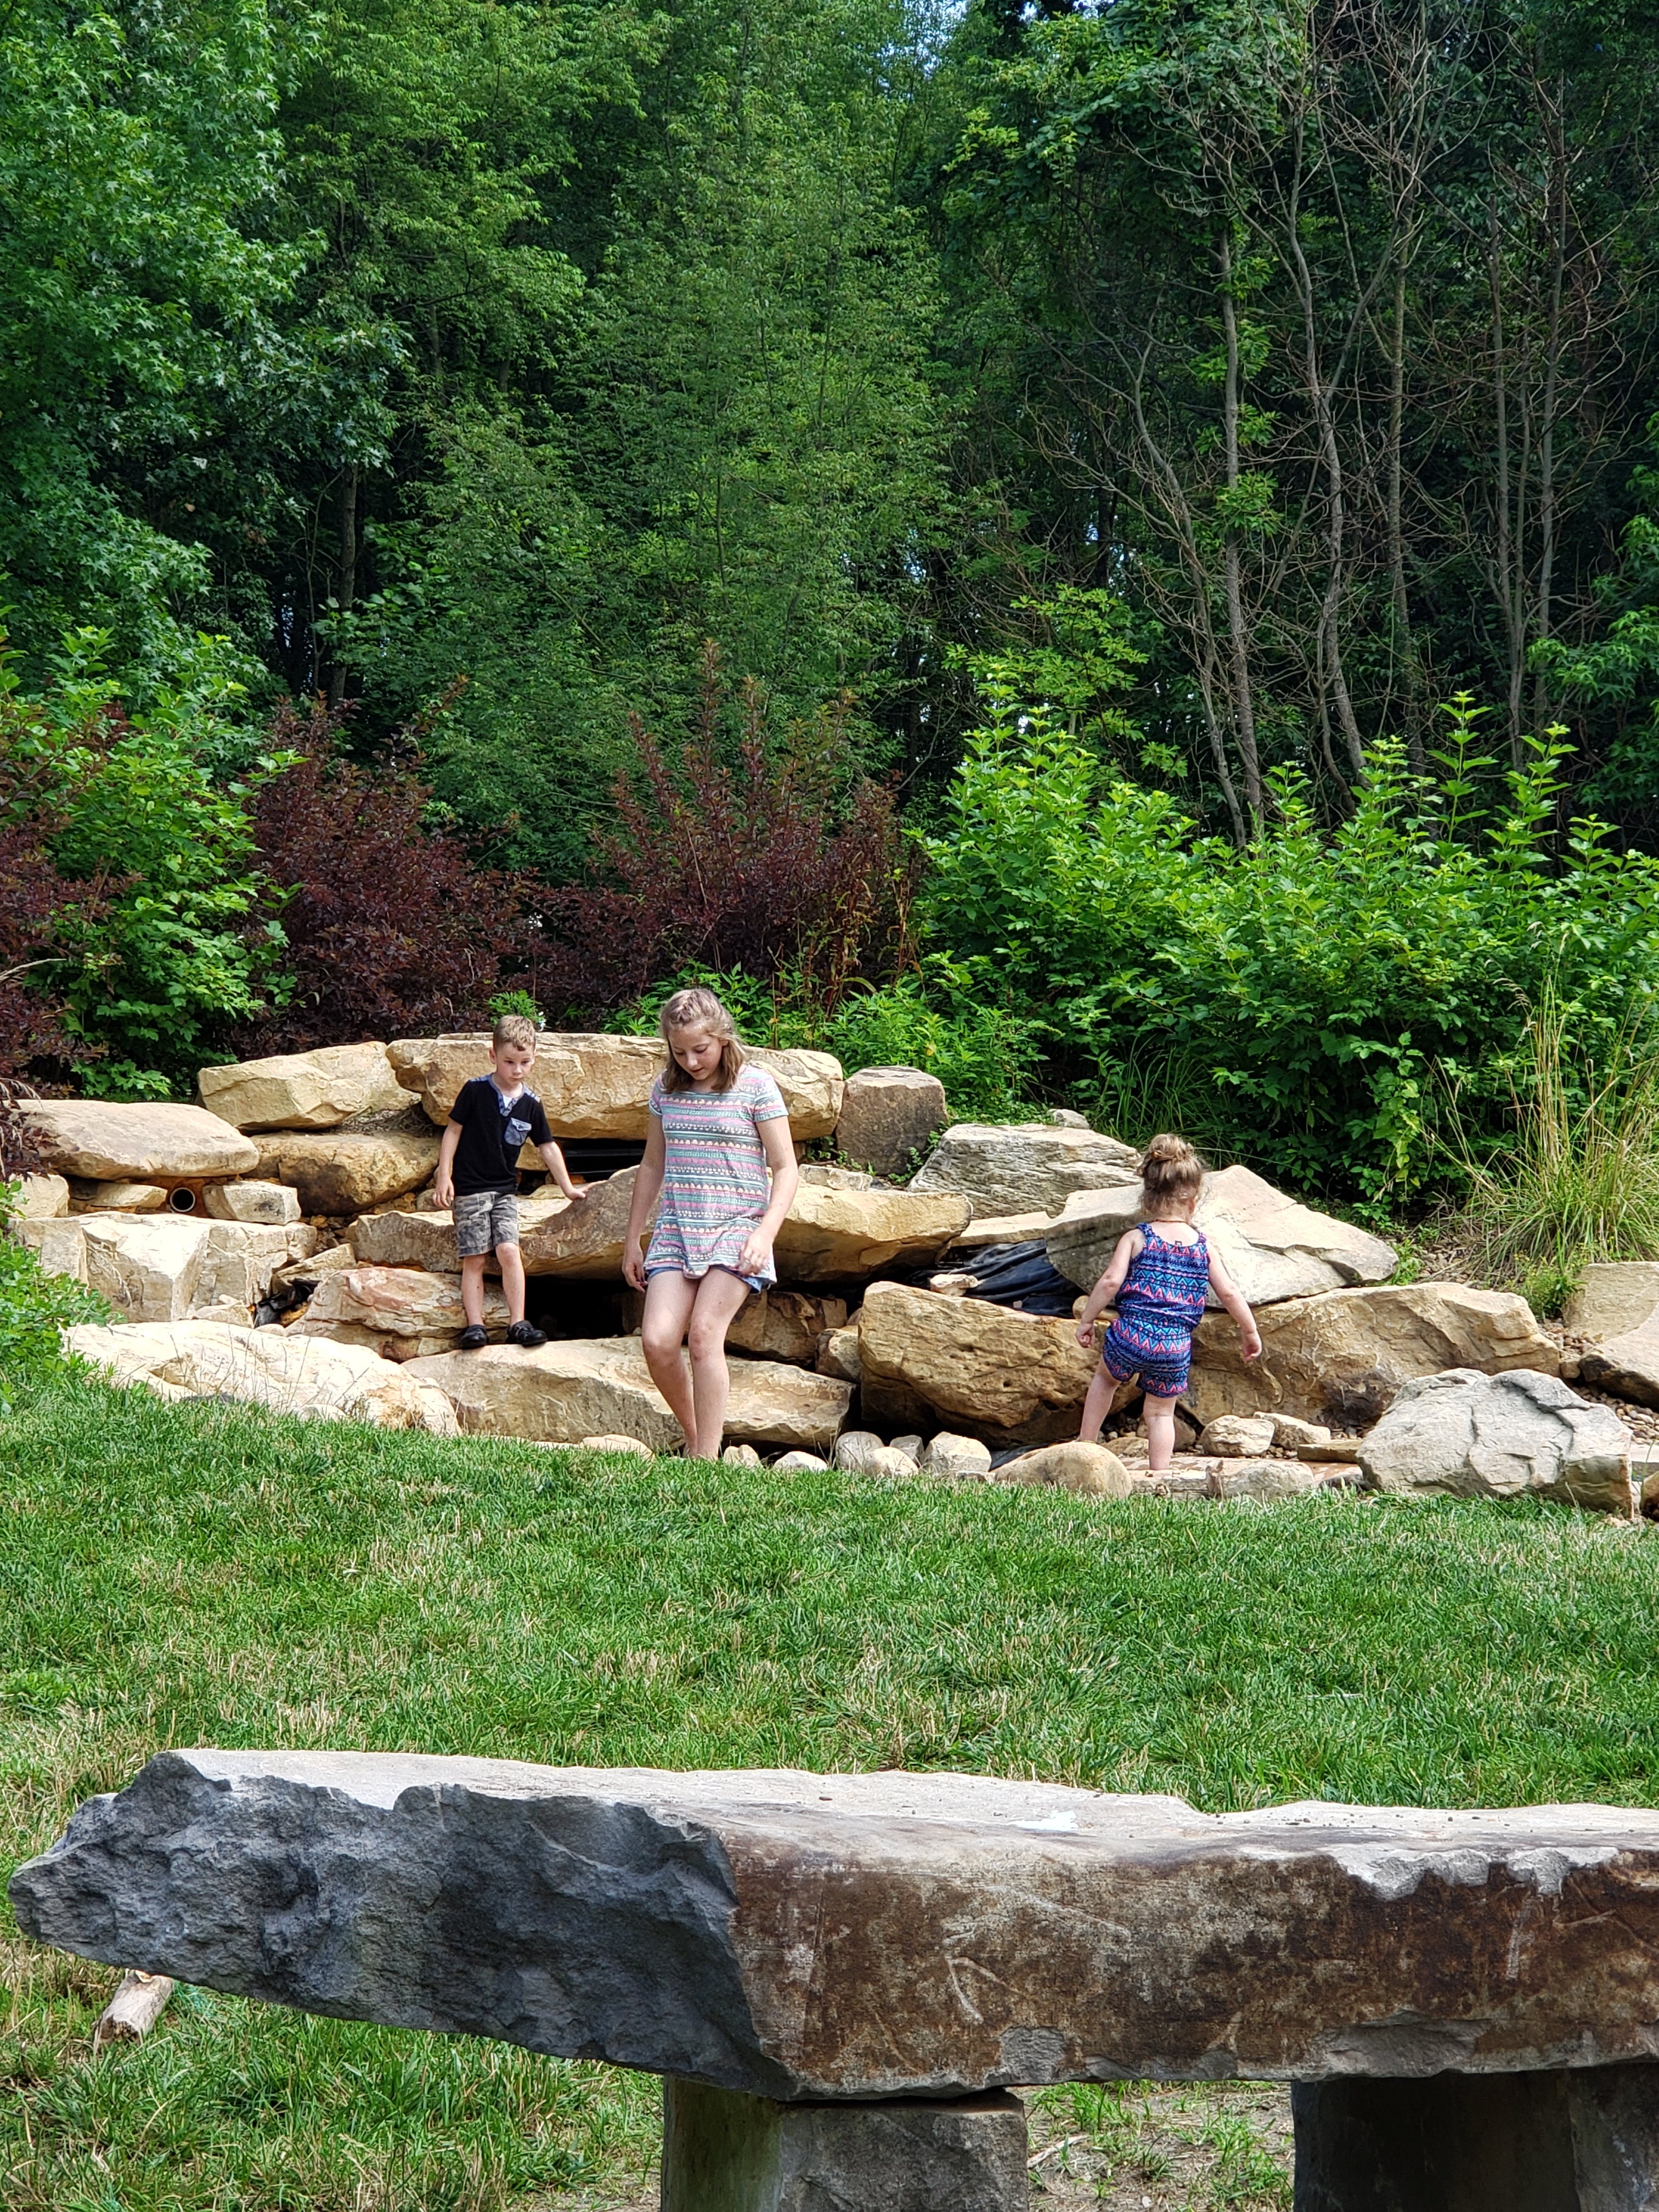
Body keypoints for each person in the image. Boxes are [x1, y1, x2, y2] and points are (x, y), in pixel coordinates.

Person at [623, 985, 799, 1459]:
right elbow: (652, 1166)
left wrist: (765, 1234)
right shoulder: (665, 1089)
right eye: (680, 1052)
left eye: (700, 1049)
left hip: (738, 1228)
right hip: (678, 1228)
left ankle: (704, 1461)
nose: (692, 1062)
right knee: (658, 1342)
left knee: (703, 1335)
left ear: (722, 1037)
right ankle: (700, 1439)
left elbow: (786, 1169)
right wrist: (633, 1241)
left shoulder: (757, 1086)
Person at [1073, 1133, 1261, 1470]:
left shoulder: (1137, 1237)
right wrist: (1250, 1331)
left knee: (1105, 1380)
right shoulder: (1203, 1247)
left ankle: (1085, 1444)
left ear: (1147, 1198)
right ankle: (1160, 1474)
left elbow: (1111, 1281)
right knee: (1160, 1412)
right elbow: (1230, 1293)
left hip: (1132, 1333)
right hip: (1175, 1345)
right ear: (1193, 1201)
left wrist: (1088, 1319)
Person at [433, 1012, 587, 1350]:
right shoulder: (475, 1091)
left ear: (534, 1060)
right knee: (474, 1256)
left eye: (524, 1062)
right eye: (509, 1062)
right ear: (493, 1056)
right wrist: (444, 1175)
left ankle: (518, 1322)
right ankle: (476, 1326)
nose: (516, 1070)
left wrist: (567, 1187)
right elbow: (453, 1131)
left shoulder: (531, 1104)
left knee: (508, 1249)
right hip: (471, 1188)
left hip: (505, 1191)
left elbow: (547, 1147)